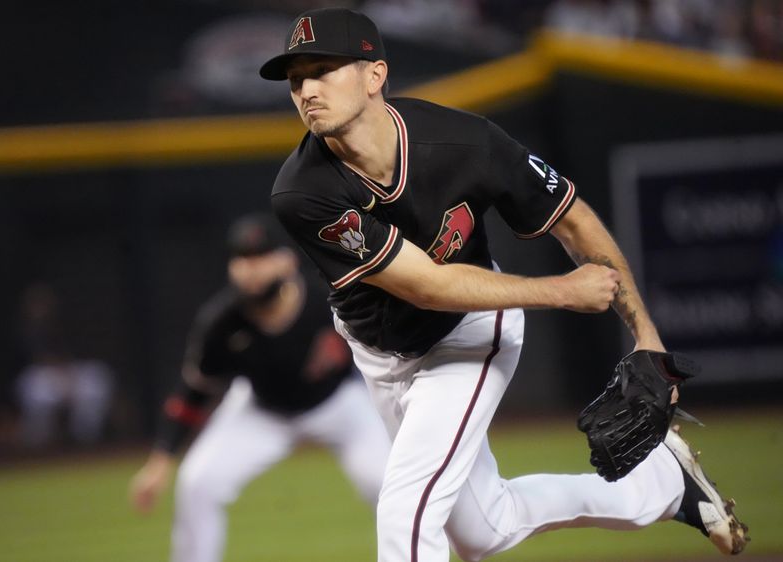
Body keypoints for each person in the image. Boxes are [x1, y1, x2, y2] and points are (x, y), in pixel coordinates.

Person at [258, 7, 748, 562]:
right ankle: (663, 485)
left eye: (323, 69)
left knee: (405, 509)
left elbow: (573, 219)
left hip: (467, 331)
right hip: (380, 351)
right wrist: (561, 291)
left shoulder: (466, 143)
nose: (306, 89)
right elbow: (425, 285)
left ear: (375, 76)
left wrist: (647, 337)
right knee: (484, 529)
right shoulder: (301, 191)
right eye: (296, 79)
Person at [129, 213, 391, 562]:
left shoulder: (327, 299)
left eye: (262, 257)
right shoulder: (221, 322)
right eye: (242, 259)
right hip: (262, 410)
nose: (252, 269)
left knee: (390, 485)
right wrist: (160, 462)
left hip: (338, 403)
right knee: (197, 483)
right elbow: (194, 391)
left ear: (287, 261)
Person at [14, 282, 114, 448]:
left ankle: (87, 441)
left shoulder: (62, 326)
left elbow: (71, 357)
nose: (42, 308)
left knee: (96, 380)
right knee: (38, 393)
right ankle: (39, 447)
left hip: (68, 372)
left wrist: (68, 375)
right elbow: (38, 360)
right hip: (39, 377)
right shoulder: (25, 332)